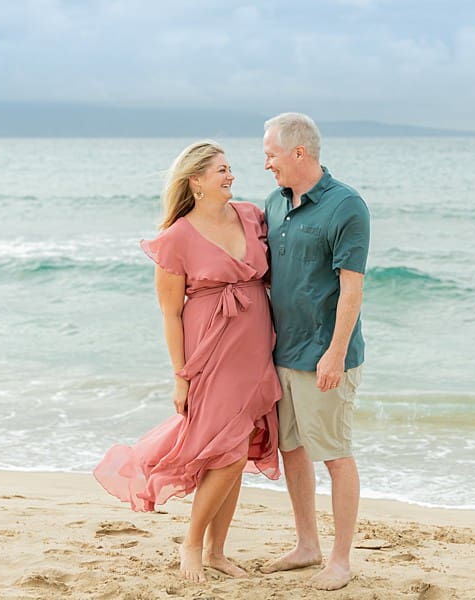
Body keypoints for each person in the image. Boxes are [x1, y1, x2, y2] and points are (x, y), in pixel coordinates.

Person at [93, 140, 281, 583]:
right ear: (195, 180)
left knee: (237, 445)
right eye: (221, 170)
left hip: (255, 347)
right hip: (210, 351)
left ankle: (216, 550)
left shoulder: (252, 216)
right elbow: (171, 313)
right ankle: (193, 543)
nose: (231, 175)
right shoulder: (176, 238)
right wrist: (182, 377)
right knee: (229, 452)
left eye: (230, 168)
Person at [259, 113, 370, 591]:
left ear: (298, 153)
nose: (266, 164)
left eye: (271, 154)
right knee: (292, 450)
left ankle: (341, 560)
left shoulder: (347, 206)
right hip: (281, 353)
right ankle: (307, 545)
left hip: (324, 356)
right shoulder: (273, 203)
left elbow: (351, 289)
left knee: (335, 454)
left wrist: (336, 353)